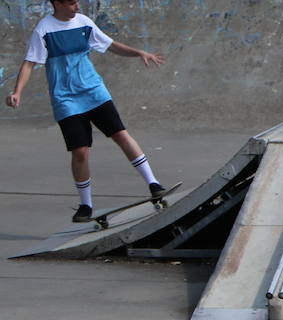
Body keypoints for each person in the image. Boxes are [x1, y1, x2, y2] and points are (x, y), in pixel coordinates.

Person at [6, 0, 167, 223]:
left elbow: (110, 44)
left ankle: (154, 184)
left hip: (94, 91)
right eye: (72, 3)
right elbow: (29, 63)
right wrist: (17, 93)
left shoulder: (83, 23)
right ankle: (86, 205)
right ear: (58, 3)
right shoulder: (44, 29)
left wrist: (139, 52)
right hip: (66, 99)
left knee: (120, 134)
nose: (77, 6)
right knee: (80, 151)